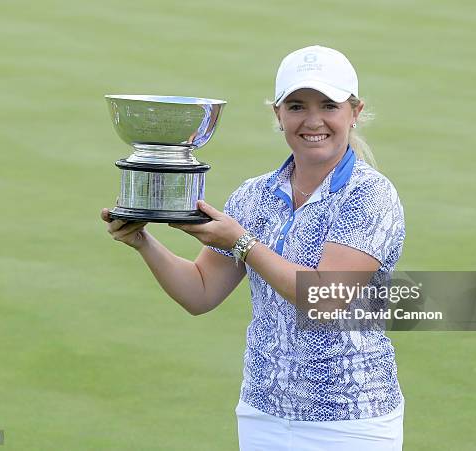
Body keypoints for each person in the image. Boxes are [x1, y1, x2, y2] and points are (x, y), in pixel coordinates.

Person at [101, 45, 405, 451]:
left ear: (354, 111)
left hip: (351, 419)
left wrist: (242, 243)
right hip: (263, 413)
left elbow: (326, 298)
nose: (313, 120)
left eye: (328, 105)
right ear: (278, 115)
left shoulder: (370, 195)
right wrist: (142, 241)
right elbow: (200, 291)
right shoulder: (254, 195)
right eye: (296, 106)